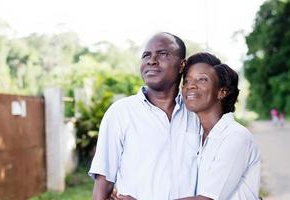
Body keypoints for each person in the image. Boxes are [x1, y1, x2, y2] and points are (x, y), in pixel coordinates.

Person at [89, 32, 200, 200]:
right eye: (146, 55)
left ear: (182, 65)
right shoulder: (120, 113)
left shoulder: (197, 113)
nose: (151, 60)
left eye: (162, 54)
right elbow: (103, 183)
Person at [179, 52, 261, 200]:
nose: (190, 85)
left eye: (202, 79)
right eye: (187, 80)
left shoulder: (235, 136)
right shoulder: (199, 137)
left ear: (222, 92)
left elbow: (207, 198)